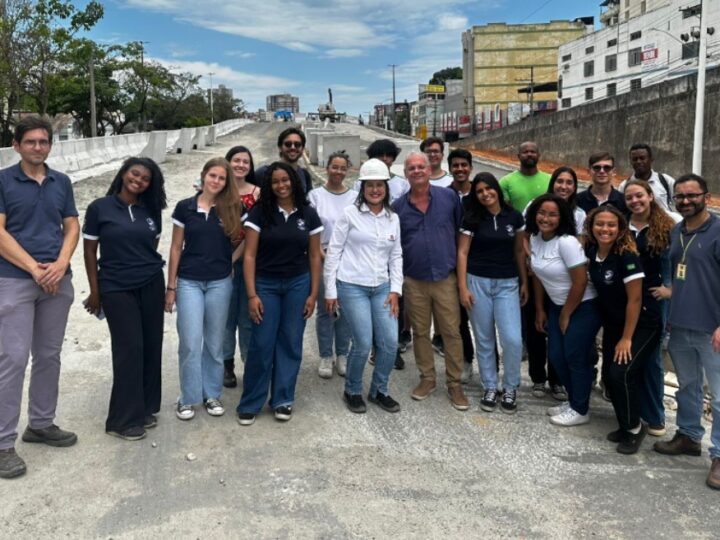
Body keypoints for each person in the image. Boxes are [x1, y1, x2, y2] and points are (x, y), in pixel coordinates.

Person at [0, 116, 79, 479]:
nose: (38, 147)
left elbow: (71, 225)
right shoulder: (3, 180)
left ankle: (41, 423)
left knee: (49, 355)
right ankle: (3, 444)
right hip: (15, 278)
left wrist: (61, 265)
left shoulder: (61, 182)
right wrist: (35, 268)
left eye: (43, 141)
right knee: (12, 359)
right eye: (30, 142)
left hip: (56, 280)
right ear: (16, 146)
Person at [82, 157, 167, 441]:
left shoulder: (152, 209)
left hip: (152, 282)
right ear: (124, 173)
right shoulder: (99, 208)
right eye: (135, 174)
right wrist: (96, 292)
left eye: (146, 179)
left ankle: (143, 408)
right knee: (129, 348)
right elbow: (90, 252)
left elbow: (150, 245)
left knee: (151, 346)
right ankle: (121, 420)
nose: (139, 181)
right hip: (116, 287)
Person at [237, 162, 322, 425]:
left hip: (298, 284)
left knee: (290, 342)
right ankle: (251, 401)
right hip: (266, 284)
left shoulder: (308, 214)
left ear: (294, 182)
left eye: (286, 180)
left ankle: (283, 399)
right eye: (275, 182)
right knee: (262, 343)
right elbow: (249, 256)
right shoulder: (259, 213)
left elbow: (315, 257)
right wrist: (252, 295)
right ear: (268, 185)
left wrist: (313, 294)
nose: (281, 185)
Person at [653, 174, 720, 491]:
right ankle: (690, 435)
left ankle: (719, 455)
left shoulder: (718, 230)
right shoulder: (678, 230)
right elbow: (682, 272)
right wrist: (670, 292)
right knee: (688, 387)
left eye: (692, 195)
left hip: (713, 329)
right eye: (679, 196)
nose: (685, 200)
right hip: (681, 324)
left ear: (706, 196)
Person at [165, 158, 243, 421]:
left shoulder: (232, 208)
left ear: (226, 182)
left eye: (222, 178)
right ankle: (187, 397)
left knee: (214, 342)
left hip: (220, 282)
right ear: (204, 176)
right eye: (212, 175)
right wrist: (171, 286)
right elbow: (176, 248)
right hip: (189, 281)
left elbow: (245, 241)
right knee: (189, 340)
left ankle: (212, 394)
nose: (216, 181)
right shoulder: (184, 207)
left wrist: (229, 262)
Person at [324, 158, 403, 413]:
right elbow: (333, 252)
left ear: (386, 188)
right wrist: (330, 291)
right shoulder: (350, 215)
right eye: (370, 185)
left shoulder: (393, 218)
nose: (375, 190)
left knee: (390, 342)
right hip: (351, 286)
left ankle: (379, 390)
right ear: (363, 188)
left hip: (382, 287)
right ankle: (353, 389)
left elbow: (396, 255)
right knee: (363, 342)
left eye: (380, 185)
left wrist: (395, 290)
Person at [392, 151, 469, 411]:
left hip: (445, 278)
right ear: (405, 173)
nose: (416, 171)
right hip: (414, 280)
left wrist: (461, 280)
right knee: (421, 333)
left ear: (429, 168)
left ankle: (455, 384)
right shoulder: (398, 208)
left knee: (451, 332)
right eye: (411, 168)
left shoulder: (449, 198)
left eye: (420, 166)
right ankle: (427, 379)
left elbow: (461, 236)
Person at [585, 206, 662, 454]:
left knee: (621, 372)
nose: (605, 229)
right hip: (615, 323)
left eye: (611, 225)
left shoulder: (627, 256)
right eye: (600, 224)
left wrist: (627, 339)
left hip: (642, 323)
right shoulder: (592, 251)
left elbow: (635, 300)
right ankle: (625, 422)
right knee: (608, 375)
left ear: (619, 229)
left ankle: (634, 428)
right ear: (591, 226)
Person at [457, 172, 527, 414]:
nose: (485, 194)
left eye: (489, 189)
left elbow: (519, 251)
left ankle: (510, 386)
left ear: (497, 189)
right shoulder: (472, 218)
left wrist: (524, 282)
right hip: (477, 282)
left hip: (508, 283)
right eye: (480, 191)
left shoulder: (514, 216)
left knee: (512, 339)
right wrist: (463, 287)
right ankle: (489, 385)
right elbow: (462, 253)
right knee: (484, 338)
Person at [528, 194, 600, 426]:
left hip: (584, 305)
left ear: (562, 218)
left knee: (574, 356)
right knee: (557, 357)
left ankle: (580, 409)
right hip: (557, 305)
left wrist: (567, 314)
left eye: (552, 214)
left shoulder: (567, 242)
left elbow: (580, 282)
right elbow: (537, 276)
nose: (545, 218)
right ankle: (573, 400)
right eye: (542, 212)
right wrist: (540, 309)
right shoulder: (535, 238)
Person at [624, 179, 679, 437]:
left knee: (652, 359)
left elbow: (678, 263)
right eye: (629, 198)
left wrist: (670, 289)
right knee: (630, 355)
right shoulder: (623, 225)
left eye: (639, 196)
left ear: (650, 196)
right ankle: (631, 408)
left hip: (654, 301)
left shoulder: (667, 227)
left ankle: (655, 416)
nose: (635, 201)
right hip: (626, 299)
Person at [309, 151, 355, 379]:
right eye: (334, 167)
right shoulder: (315, 196)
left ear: (348, 170)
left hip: (349, 260)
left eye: (342, 168)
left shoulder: (355, 197)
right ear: (327, 168)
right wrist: (325, 258)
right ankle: (326, 356)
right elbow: (312, 231)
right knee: (326, 310)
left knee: (345, 310)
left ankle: (342, 354)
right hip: (322, 257)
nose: (338, 171)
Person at [222, 146, 260, 388]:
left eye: (245, 162)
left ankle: (249, 362)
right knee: (225, 320)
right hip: (219, 265)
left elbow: (255, 233)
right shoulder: (216, 189)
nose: (240, 165)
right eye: (236, 160)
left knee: (248, 318)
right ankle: (227, 365)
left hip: (248, 262)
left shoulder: (258, 194)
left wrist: (234, 260)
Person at [446, 148, 476, 382]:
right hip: (454, 264)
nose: (460, 169)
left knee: (485, 321)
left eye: (464, 165)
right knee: (459, 319)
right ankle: (466, 360)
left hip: (481, 263)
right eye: (455, 165)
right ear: (450, 169)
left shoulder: (482, 192)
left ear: (470, 167)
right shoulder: (443, 196)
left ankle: (491, 368)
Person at [618, 143, 675, 213]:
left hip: (665, 223)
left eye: (642, 158)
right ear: (630, 161)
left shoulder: (665, 181)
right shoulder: (624, 186)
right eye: (635, 159)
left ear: (651, 159)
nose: (638, 162)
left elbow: (678, 204)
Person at [254, 127, 313, 193]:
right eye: (288, 144)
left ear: (302, 149)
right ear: (280, 147)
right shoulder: (263, 173)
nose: (293, 147)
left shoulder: (305, 175)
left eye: (297, 144)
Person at [499, 141, 551, 213]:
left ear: (539, 155)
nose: (529, 154)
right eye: (525, 152)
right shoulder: (505, 182)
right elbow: (505, 212)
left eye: (533, 152)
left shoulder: (550, 180)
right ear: (518, 156)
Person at [353, 139, 409, 203]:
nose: (384, 159)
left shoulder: (403, 184)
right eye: (380, 155)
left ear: (393, 158)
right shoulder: (360, 184)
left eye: (388, 155)